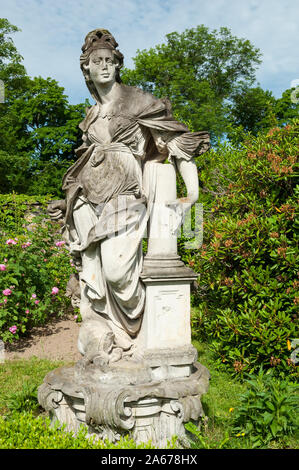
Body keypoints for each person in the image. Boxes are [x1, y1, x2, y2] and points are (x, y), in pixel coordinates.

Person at [48, 29, 209, 367]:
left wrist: (192, 193)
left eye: (109, 61)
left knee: (119, 271)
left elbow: (178, 143)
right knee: (96, 272)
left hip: (125, 193)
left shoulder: (137, 101)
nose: (104, 66)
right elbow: (83, 161)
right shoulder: (91, 115)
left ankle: (132, 333)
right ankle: (108, 339)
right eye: (97, 62)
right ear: (87, 70)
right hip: (85, 199)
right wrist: (67, 202)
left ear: (117, 65)